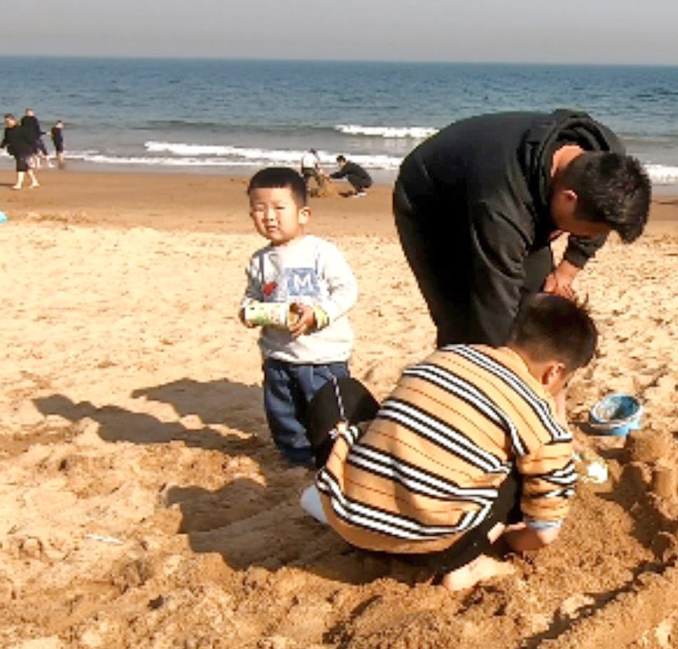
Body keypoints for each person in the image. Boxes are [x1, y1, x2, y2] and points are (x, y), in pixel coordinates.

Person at [308, 293, 593, 591]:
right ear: (555, 371)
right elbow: (544, 535)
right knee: (523, 469)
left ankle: (360, 491)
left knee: (339, 392)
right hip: (437, 551)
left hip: (351, 524)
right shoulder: (543, 425)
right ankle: (466, 566)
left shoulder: (449, 355)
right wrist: (505, 535)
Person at [393, 109, 650, 349]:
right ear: (569, 198)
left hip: (500, 189)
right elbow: (497, 297)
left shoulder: (607, 157)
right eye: (588, 231)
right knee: (464, 323)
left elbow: (601, 219)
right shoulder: (503, 206)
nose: (593, 238)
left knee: (536, 308)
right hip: (432, 202)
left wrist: (567, 270)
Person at [238, 167, 359, 468]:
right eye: (259, 209)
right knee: (284, 414)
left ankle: (336, 457)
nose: (269, 217)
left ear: (303, 213)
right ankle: (298, 460)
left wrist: (318, 314)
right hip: (279, 355)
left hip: (322, 357)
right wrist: (249, 311)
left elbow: (346, 290)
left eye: (279, 208)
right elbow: (253, 295)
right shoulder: (260, 260)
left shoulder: (320, 252)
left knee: (328, 411)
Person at [1, 115, 40, 189]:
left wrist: (35, 150)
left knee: (20, 166)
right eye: (6, 122)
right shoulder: (7, 130)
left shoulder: (22, 129)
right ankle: (34, 182)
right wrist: (1, 146)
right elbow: (6, 139)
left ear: (14, 121)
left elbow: (31, 139)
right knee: (25, 166)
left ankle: (19, 184)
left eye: (8, 121)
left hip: (25, 149)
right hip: (15, 150)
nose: (7, 123)